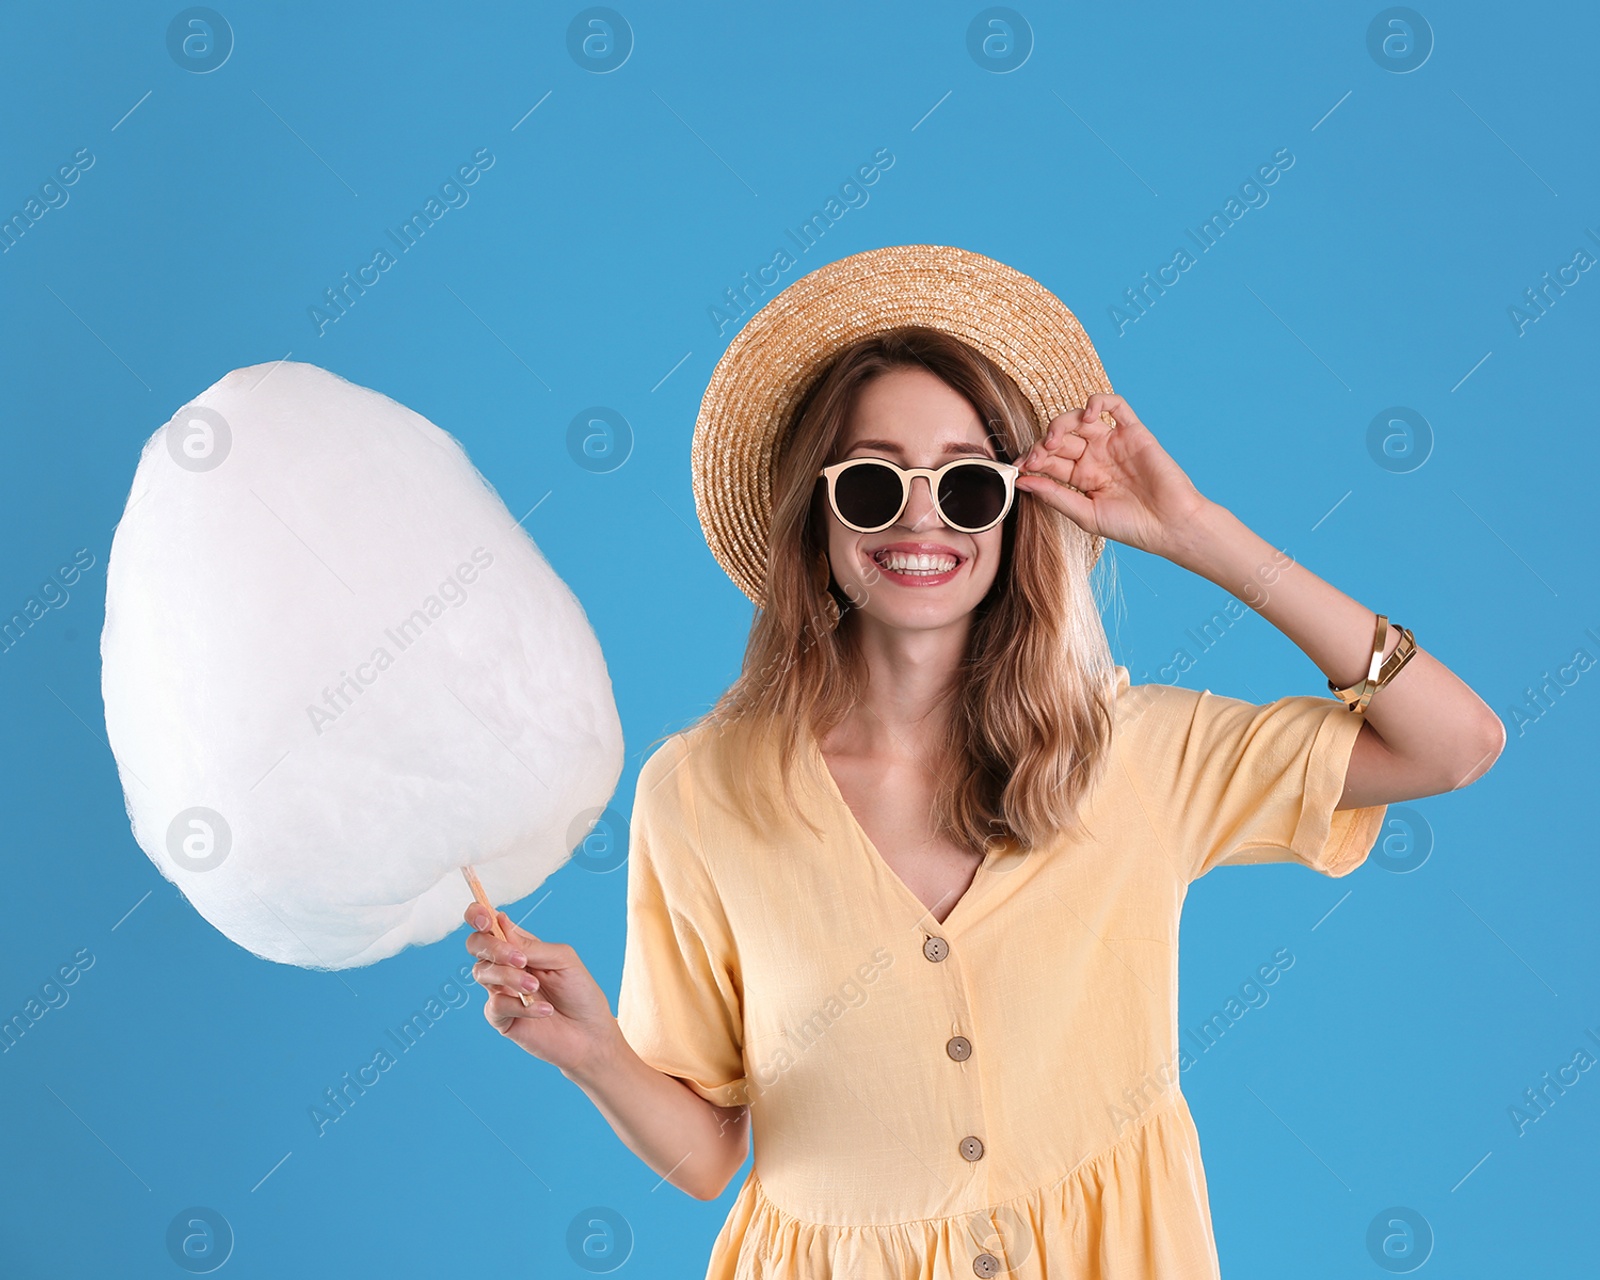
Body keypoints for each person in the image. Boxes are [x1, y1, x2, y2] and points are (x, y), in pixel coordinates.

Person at [463, 246, 1504, 1278]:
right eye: (873, 482)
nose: (921, 513)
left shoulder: (1134, 750)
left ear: (1014, 510)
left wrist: (1200, 532)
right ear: (816, 516)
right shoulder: (700, 789)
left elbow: (1454, 742)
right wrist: (595, 1052)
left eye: (966, 482)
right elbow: (709, 1155)